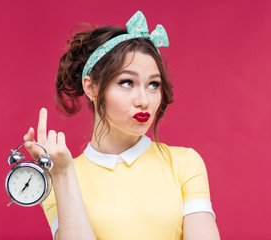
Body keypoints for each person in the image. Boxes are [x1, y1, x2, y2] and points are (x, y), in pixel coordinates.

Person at [23, 11, 220, 240]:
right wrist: (64, 173)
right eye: (127, 82)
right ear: (92, 88)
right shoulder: (59, 177)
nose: (144, 100)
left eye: (153, 84)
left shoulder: (184, 164)